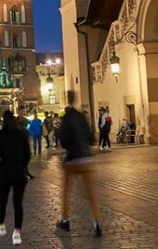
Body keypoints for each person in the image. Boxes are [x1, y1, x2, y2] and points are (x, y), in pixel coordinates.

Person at [55, 91, 102, 237]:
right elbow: (91, 137)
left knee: (66, 191)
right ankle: (96, 222)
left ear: (66, 100)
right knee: (91, 193)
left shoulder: (66, 118)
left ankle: (65, 219)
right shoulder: (82, 116)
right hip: (86, 158)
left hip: (72, 159)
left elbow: (63, 139)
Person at [0, 110, 31, 246]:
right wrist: (22, 164)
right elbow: (27, 154)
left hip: (5, 173)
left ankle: (1, 224)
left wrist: (0, 165)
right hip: (19, 173)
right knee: (17, 204)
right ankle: (17, 233)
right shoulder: (22, 134)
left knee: (2, 201)